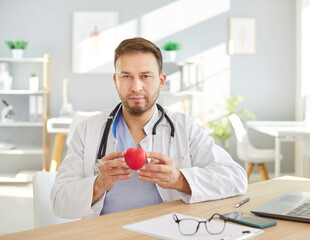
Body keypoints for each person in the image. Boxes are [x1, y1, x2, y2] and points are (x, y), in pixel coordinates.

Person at [51, 37, 247, 219]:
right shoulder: (88, 130)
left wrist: (179, 179)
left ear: (161, 81)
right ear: (115, 80)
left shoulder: (184, 128)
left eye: (145, 76)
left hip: (168, 230)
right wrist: (98, 184)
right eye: (126, 76)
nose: (136, 87)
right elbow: (59, 201)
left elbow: (236, 179)